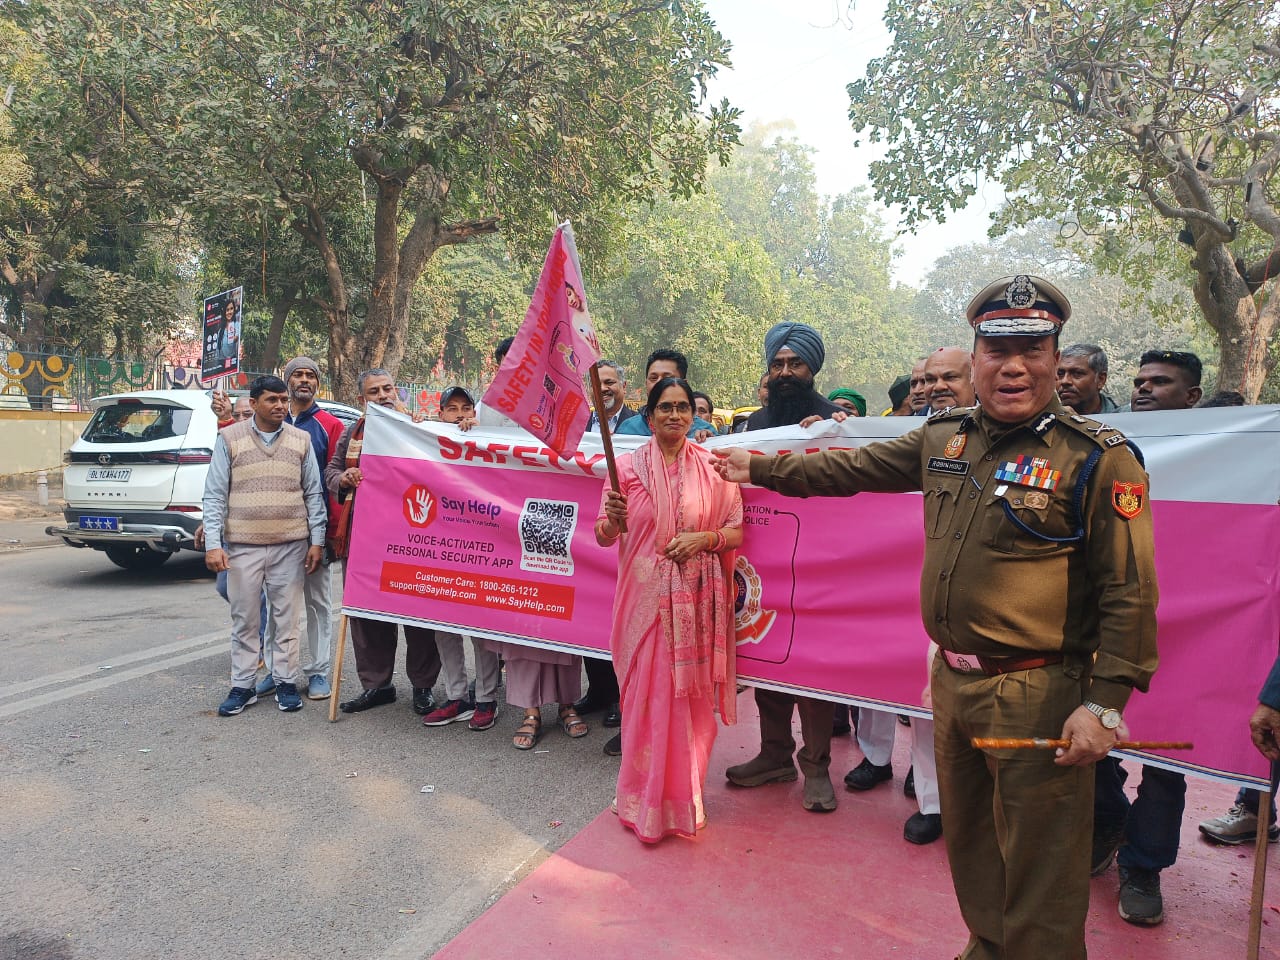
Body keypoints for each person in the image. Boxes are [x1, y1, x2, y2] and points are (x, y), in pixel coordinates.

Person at [713, 274, 1159, 960]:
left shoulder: (1098, 458)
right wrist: (760, 467)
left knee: (1042, 863)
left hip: (1039, 693)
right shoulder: (943, 438)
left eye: (1034, 349)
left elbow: (1129, 591)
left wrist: (1104, 705)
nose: (1014, 367)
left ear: (1054, 357)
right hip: (953, 685)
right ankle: (988, 944)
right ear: (976, 359)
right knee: (973, 841)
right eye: (997, 350)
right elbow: (852, 467)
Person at [596, 376, 743, 842]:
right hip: (642, 603)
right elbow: (604, 534)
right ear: (650, 414)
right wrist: (613, 519)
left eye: (683, 408)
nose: (675, 416)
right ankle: (640, 799)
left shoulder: (712, 467)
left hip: (694, 605)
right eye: (666, 408)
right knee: (645, 702)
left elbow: (737, 531)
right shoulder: (625, 470)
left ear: (692, 414)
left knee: (687, 703)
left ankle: (684, 799)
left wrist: (704, 539)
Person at [1091, 348, 1201, 926]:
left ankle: (1144, 865)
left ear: (1192, 398)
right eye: (1139, 381)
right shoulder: (1094, 445)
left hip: (1184, 635)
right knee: (1091, 743)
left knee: (1163, 761)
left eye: (1160, 382)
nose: (1144, 389)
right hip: (1102, 627)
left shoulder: (1229, 450)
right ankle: (1106, 822)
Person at [730, 321, 843, 813]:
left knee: (813, 673)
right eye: (777, 364)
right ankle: (773, 755)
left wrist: (836, 432)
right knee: (768, 661)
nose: (785, 372)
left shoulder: (837, 422)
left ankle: (816, 768)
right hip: (762, 566)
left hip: (819, 569)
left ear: (813, 369)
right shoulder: (753, 425)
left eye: (795, 364)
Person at [204, 375, 328, 717]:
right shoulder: (229, 438)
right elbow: (215, 493)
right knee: (244, 618)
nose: (280, 406)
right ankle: (242, 686)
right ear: (254, 403)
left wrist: (316, 540)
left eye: (284, 400)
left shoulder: (300, 440)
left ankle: (286, 682)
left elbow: (313, 493)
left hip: (291, 545)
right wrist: (214, 544)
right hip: (243, 546)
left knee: (286, 620)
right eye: (272, 400)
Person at [324, 369, 443, 716]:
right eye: (373, 391)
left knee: (418, 615)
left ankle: (423, 687)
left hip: (414, 536)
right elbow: (331, 470)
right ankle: (377, 686)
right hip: (365, 538)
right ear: (363, 399)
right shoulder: (353, 432)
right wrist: (344, 478)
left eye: (387, 388)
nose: (382, 395)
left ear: (398, 391)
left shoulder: (419, 427)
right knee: (367, 614)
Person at [419, 386, 501, 732]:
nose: (459, 415)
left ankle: (486, 698)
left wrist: (478, 432)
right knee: (443, 628)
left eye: (465, 408)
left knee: (482, 630)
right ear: (440, 414)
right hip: (441, 550)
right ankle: (457, 697)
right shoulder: (427, 438)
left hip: (480, 550)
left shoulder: (485, 441)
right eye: (451, 409)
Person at [262, 356, 344, 702]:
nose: (305, 380)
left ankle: (319, 672)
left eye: (311, 375)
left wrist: (328, 535)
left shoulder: (329, 425)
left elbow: (334, 482)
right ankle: (276, 671)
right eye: (298, 375)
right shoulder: (269, 422)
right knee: (277, 605)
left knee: (318, 605)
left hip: (316, 532)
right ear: (287, 381)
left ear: (317, 384)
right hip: (276, 533)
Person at [577, 360, 637, 749]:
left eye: (611, 383)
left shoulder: (639, 427)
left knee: (626, 625)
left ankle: (622, 699)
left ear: (623, 386)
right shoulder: (579, 426)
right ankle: (598, 691)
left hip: (630, 539)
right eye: (598, 385)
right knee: (589, 615)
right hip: (589, 532)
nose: (605, 390)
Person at [615, 349, 717, 438]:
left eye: (667, 379)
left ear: (684, 384)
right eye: (653, 378)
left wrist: (709, 443)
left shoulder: (705, 431)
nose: (659, 384)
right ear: (646, 384)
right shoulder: (628, 429)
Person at [1130, 349, 1203, 412]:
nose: (1143, 387)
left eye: (1159, 382)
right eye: (1138, 383)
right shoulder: (1119, 425)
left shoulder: (1209, 428)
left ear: (1191, 396)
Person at [1057, 343, 1119, 415]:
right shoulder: (1047, 421)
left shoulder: (1122, 421)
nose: (1065, 381)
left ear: (1100, 379)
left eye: (1077, 373)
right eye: (1060, 374)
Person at [585, 359, 638, 434]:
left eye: (609, 383)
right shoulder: (576, 425)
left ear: (624, 386)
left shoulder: (642, 425)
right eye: (595, 384)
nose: (602, 388)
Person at [920, 346, 972, 412]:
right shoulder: (911, 421)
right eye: (930, 379)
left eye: (950, 377)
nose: (939, 387)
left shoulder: (988, 419)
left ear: (973, 380)